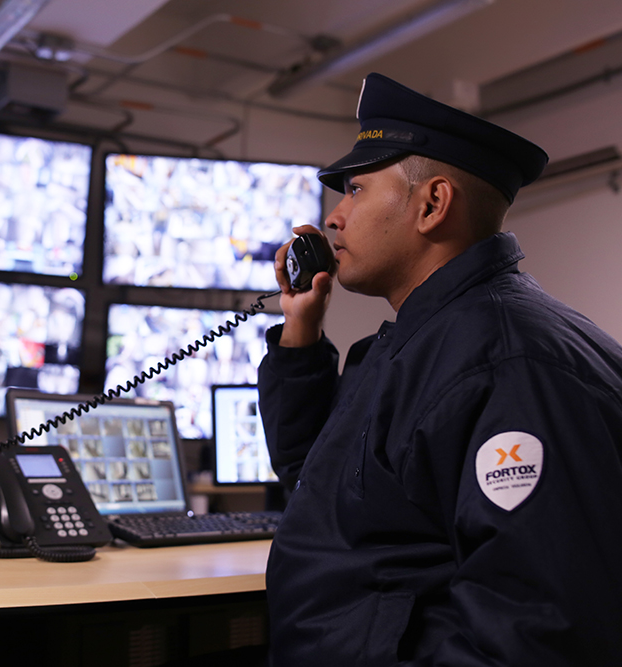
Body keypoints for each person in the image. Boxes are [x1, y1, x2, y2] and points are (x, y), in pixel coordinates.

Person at [258, 72, 622, 666]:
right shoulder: (422, 343)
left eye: (355, 190)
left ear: (432, 205)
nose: (334, 218)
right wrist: (301, 329)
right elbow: (319, 490)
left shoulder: (508, 364)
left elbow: (537, 631)